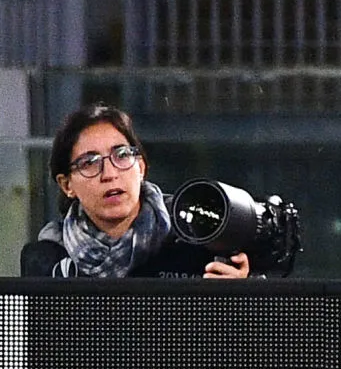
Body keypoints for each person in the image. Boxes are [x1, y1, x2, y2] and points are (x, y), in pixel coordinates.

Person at [21, 104, 252, 279]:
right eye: (89, 163)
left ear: (140, 167)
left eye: (121, 155)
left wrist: (240, 296)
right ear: (67, 185)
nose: (109, 173)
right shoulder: (47, 260)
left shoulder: (197, 239)